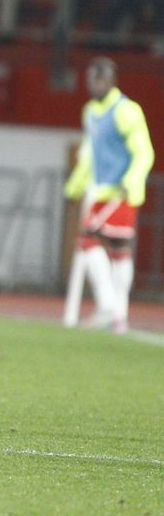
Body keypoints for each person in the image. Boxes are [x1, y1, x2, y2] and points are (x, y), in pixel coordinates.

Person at [63, 58, 153, 334]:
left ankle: (108, 307)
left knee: (90, 240)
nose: (96, 84)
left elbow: (143, 151)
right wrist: (74, 187)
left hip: (121, 191)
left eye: (101, 79)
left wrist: (132, 180)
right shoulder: (90, 112)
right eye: (93, 78)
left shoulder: (126, 110)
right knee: (116, 250)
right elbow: (90, 156)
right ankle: (118, 316)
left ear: (112, 80)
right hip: (100, 190)